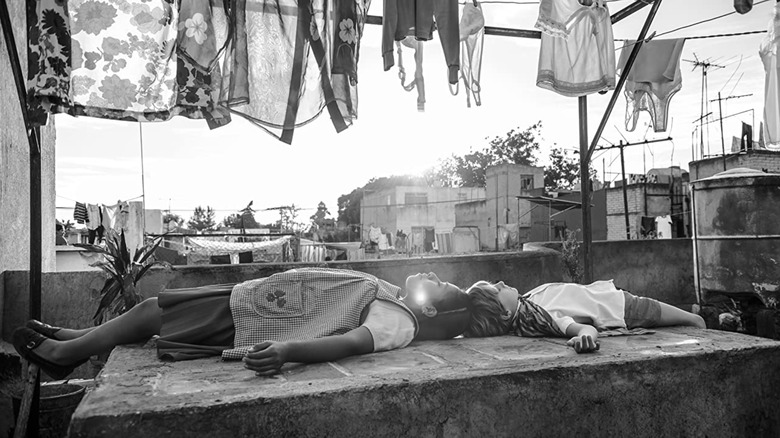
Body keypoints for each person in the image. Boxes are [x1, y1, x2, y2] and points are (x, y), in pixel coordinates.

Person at [13, 269, 469, 380]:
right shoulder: (390, 294)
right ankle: (76, 339)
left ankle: (63, 355)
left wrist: (288, 352)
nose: (433, 277)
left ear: (429, 310)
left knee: (154, 312)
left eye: (441, 286)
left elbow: (352, 342)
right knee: (152, 310)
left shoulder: (399, 320)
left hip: (253, 321)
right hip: (251, 302)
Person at [463, 280, 706, 353]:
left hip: (612, 299)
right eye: (497, 290)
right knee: (691, 321)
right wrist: (585, 338)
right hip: (621, 309)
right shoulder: (538, 318)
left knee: (681, 317)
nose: (502, 282)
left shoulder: (527, 306)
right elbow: (578, 328)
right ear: (505, 313)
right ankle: (700, 326)